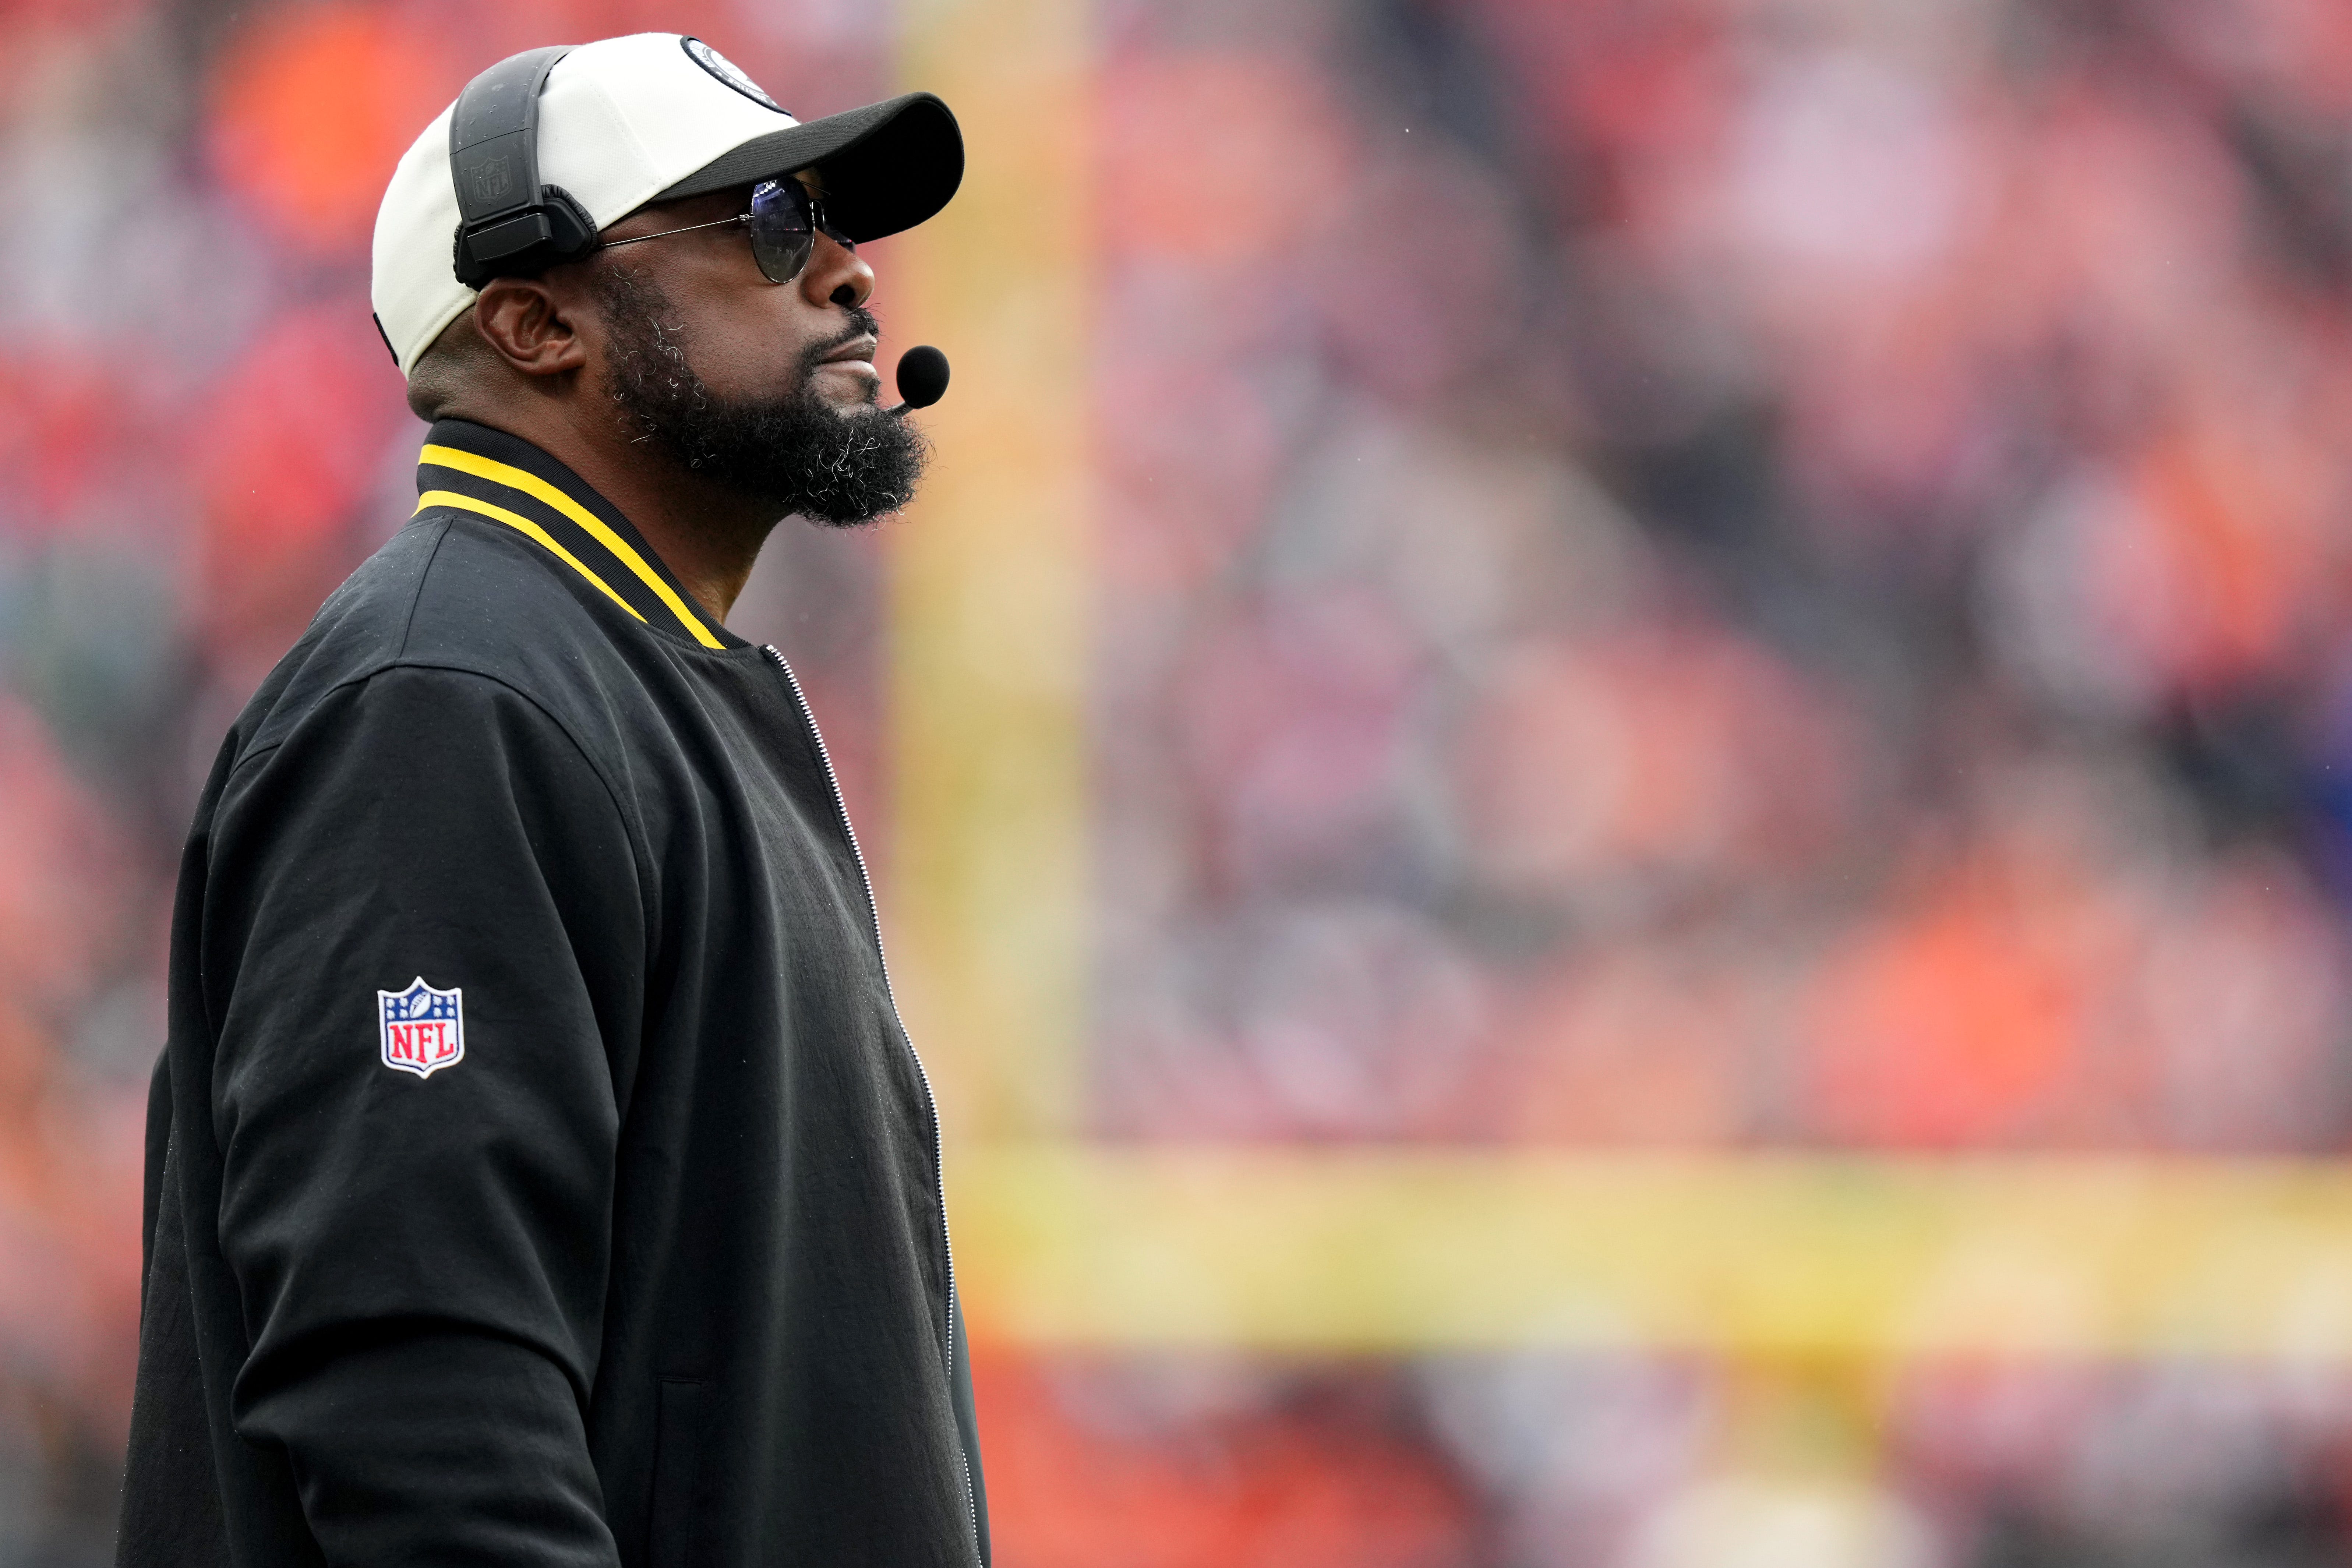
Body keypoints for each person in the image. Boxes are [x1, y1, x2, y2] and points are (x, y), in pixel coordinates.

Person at [116, 33, 986, 1567]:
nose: (849, 275)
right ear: (532, 324)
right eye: (773, 222)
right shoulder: (451, 697)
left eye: (837, 226)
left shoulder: (604, 677)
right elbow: (421, 1399)